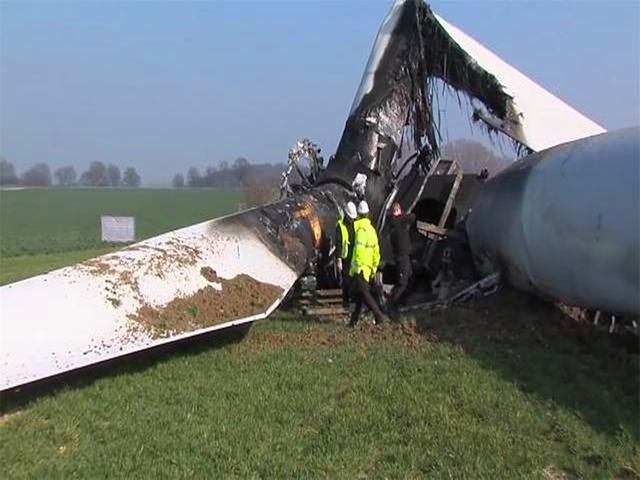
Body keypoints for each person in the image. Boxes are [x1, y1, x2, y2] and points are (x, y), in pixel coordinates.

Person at [349, 200, 388, 326]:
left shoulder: (360, 230)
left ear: (358, 215)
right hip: (369, 268)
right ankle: (353, 321)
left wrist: (356, 266)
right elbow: (376, 251)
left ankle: (379, 315)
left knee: (364, 293)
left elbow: (359, 250)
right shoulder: (372, 230)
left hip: (360, 268)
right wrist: (374, 267)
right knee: (361, 294)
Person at [388, 202, 415, 309]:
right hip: (402, 256)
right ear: (397, 211)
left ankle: (403, 300)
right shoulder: (398, 220)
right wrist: (403, 214)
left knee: (410, 276)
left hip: (403, 255)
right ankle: (393, 304)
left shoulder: (393, 222)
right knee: (402, 283)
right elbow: (412, 217)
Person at [335, 201, 357, 306]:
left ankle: (353, 299)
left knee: (354, 279)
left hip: (355, 256)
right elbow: (338, 243)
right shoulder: (340, 226)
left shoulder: (355, 224)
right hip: (346, 257)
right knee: (346, 280)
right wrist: (338, 259)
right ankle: (346, 301)